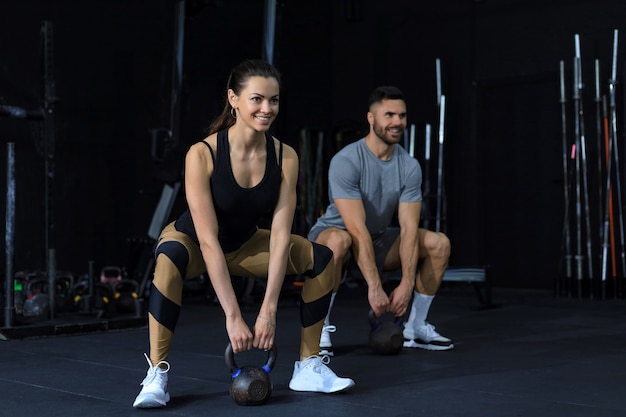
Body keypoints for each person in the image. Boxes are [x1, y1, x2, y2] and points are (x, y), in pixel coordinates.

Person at [133, 59, 355, 409]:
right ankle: (157, 374)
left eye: (274, 100)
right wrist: (234, 317)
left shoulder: (286, 156)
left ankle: (309, 365)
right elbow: (207, 240)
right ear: (233, 99)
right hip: (193, 243)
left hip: (246, 243)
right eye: (257, 99)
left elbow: (281, 236)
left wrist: (268, 310)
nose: (267, 109)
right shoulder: (202, 154)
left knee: (322, 258)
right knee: (169, 257)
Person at [308, 85, 453, 357]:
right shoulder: (347, 160)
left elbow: (409, 229)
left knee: (438, 243)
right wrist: (375, 288)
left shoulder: (409, 166)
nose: (397, 122)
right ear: (371, 118)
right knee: (339, 241)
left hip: (376, 238)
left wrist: (406, 285)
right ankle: (319, 327)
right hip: (335, 234)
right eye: (389, 115)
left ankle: (415, 327)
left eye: (402, 115)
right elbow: (355, 228)